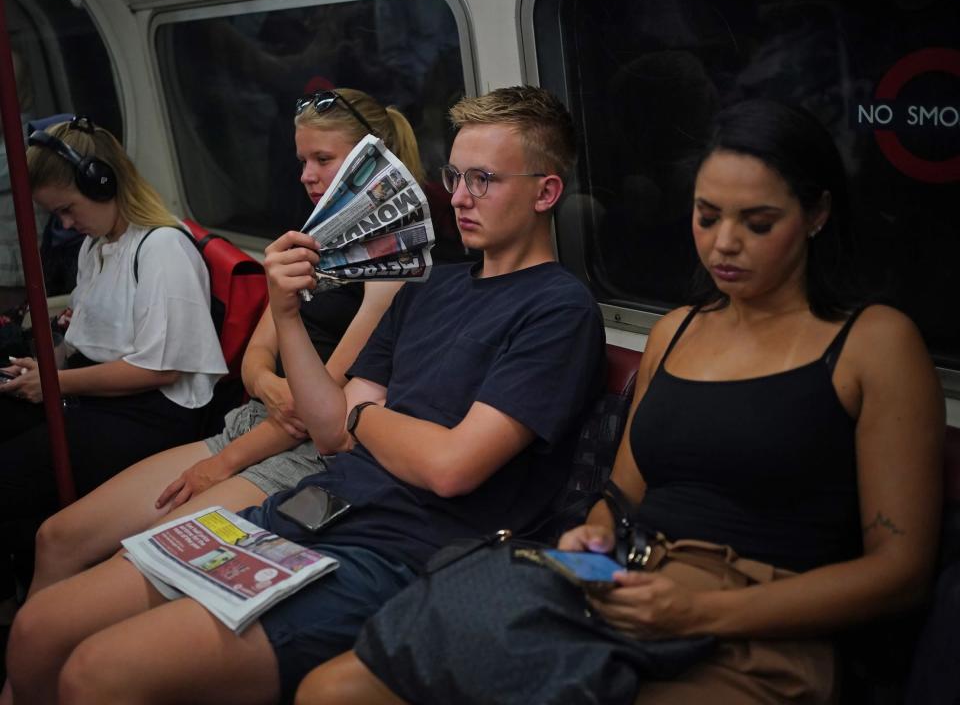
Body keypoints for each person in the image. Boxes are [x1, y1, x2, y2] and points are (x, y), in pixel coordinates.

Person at [295, 99, 945, 705]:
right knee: (335, 688)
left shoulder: (875, 344)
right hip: (629, 584)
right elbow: (622, 493)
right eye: (706, 215)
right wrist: (596, 532)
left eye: (758, 223)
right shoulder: (676, 331)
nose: (723, 244)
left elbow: (900, 572)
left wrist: (701, 612)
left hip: (762, 615)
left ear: (817, 216)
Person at [5, 84, 605, 705]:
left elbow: (450, 467)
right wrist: (287, 313)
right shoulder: (431, 286)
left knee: (97, 672)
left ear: (546, 192)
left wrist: (364, 415)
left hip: (398, 548)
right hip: (309, 508)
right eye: (455, 176)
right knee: (40, 628)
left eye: (483, 180)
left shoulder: (558, 309)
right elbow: (327, 430)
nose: (457, 197)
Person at [23, 88, 433, 597]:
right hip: (253, 422)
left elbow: (317, 414)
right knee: (56, 538)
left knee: (132, 566)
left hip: (302, 450)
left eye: (323, 160)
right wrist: (268, 386)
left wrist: (221, 464)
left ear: (371, 161)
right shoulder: (313, 241)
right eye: (302, 159)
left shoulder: (391, 269)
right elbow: (256, 357)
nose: (306, 174)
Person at [0, 116, 227, 594]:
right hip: (101, 395)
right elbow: (84, 340)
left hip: (152, 416)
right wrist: (43, 369)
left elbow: (161, 368)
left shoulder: (162, 248)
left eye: (67, 209)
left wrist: (55, 384)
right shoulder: (97, 247)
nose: (65, 224)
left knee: (14, 471)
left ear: (102, 183)